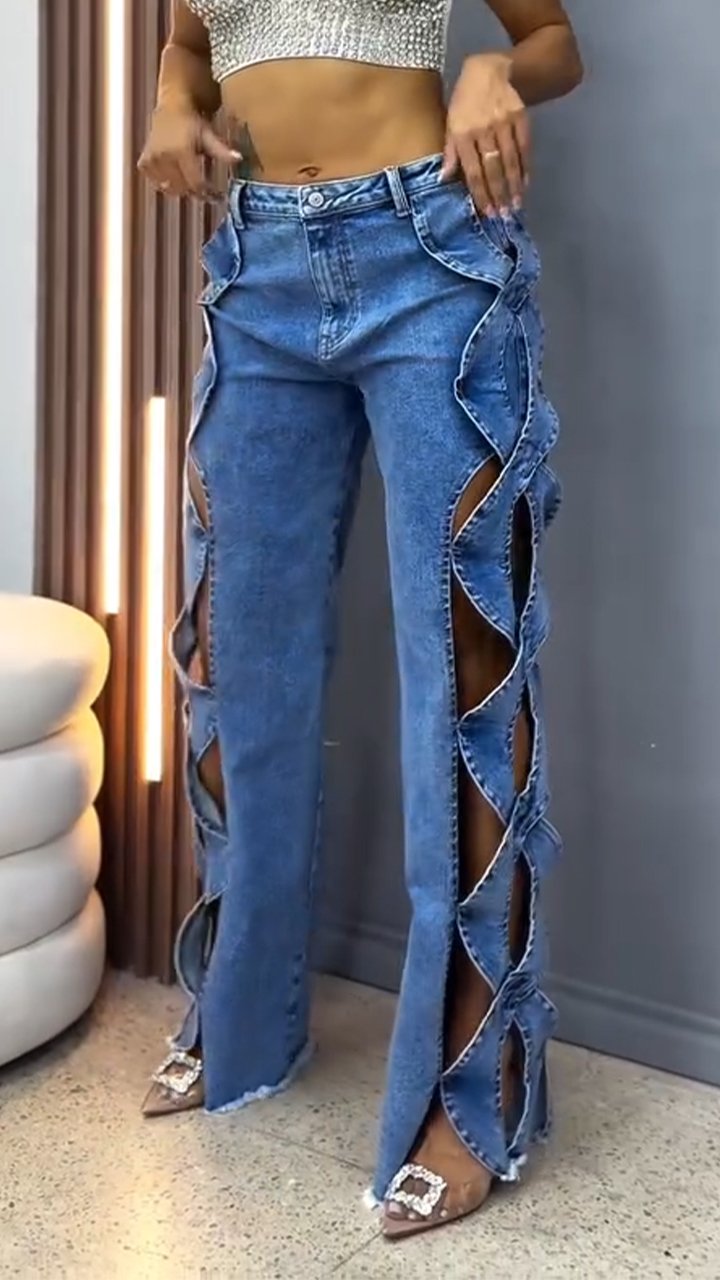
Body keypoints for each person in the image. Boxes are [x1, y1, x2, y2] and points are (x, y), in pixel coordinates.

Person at [138, 0, 582, 1241]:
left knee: (466, 677)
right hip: (257, 273)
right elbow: (189, 48)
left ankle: (474, 1090)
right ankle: (241, 1022)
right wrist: (171, 107)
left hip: (429, 254)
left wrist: (493, 67)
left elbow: (554, 40)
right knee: (238, 668)